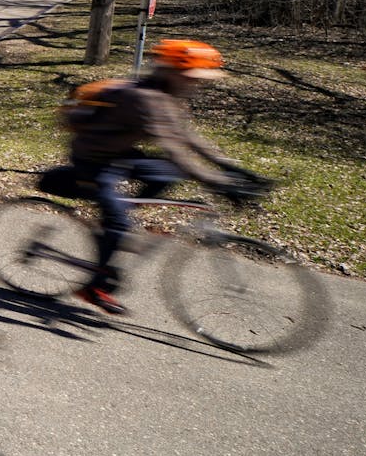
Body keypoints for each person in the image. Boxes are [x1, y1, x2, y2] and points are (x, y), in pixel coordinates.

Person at [67, 39, 249, 315]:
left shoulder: (167, 97)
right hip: (92, 160)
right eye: (191, 78)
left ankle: (120, 213)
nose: (195, 85)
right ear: (170, 71)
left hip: (120, 154)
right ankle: (93, 287)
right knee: (118, 224)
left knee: (168, 174)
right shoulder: (142, 99)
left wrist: (231, 168)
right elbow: (175, 149)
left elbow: (187, 137)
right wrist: (217, 182)